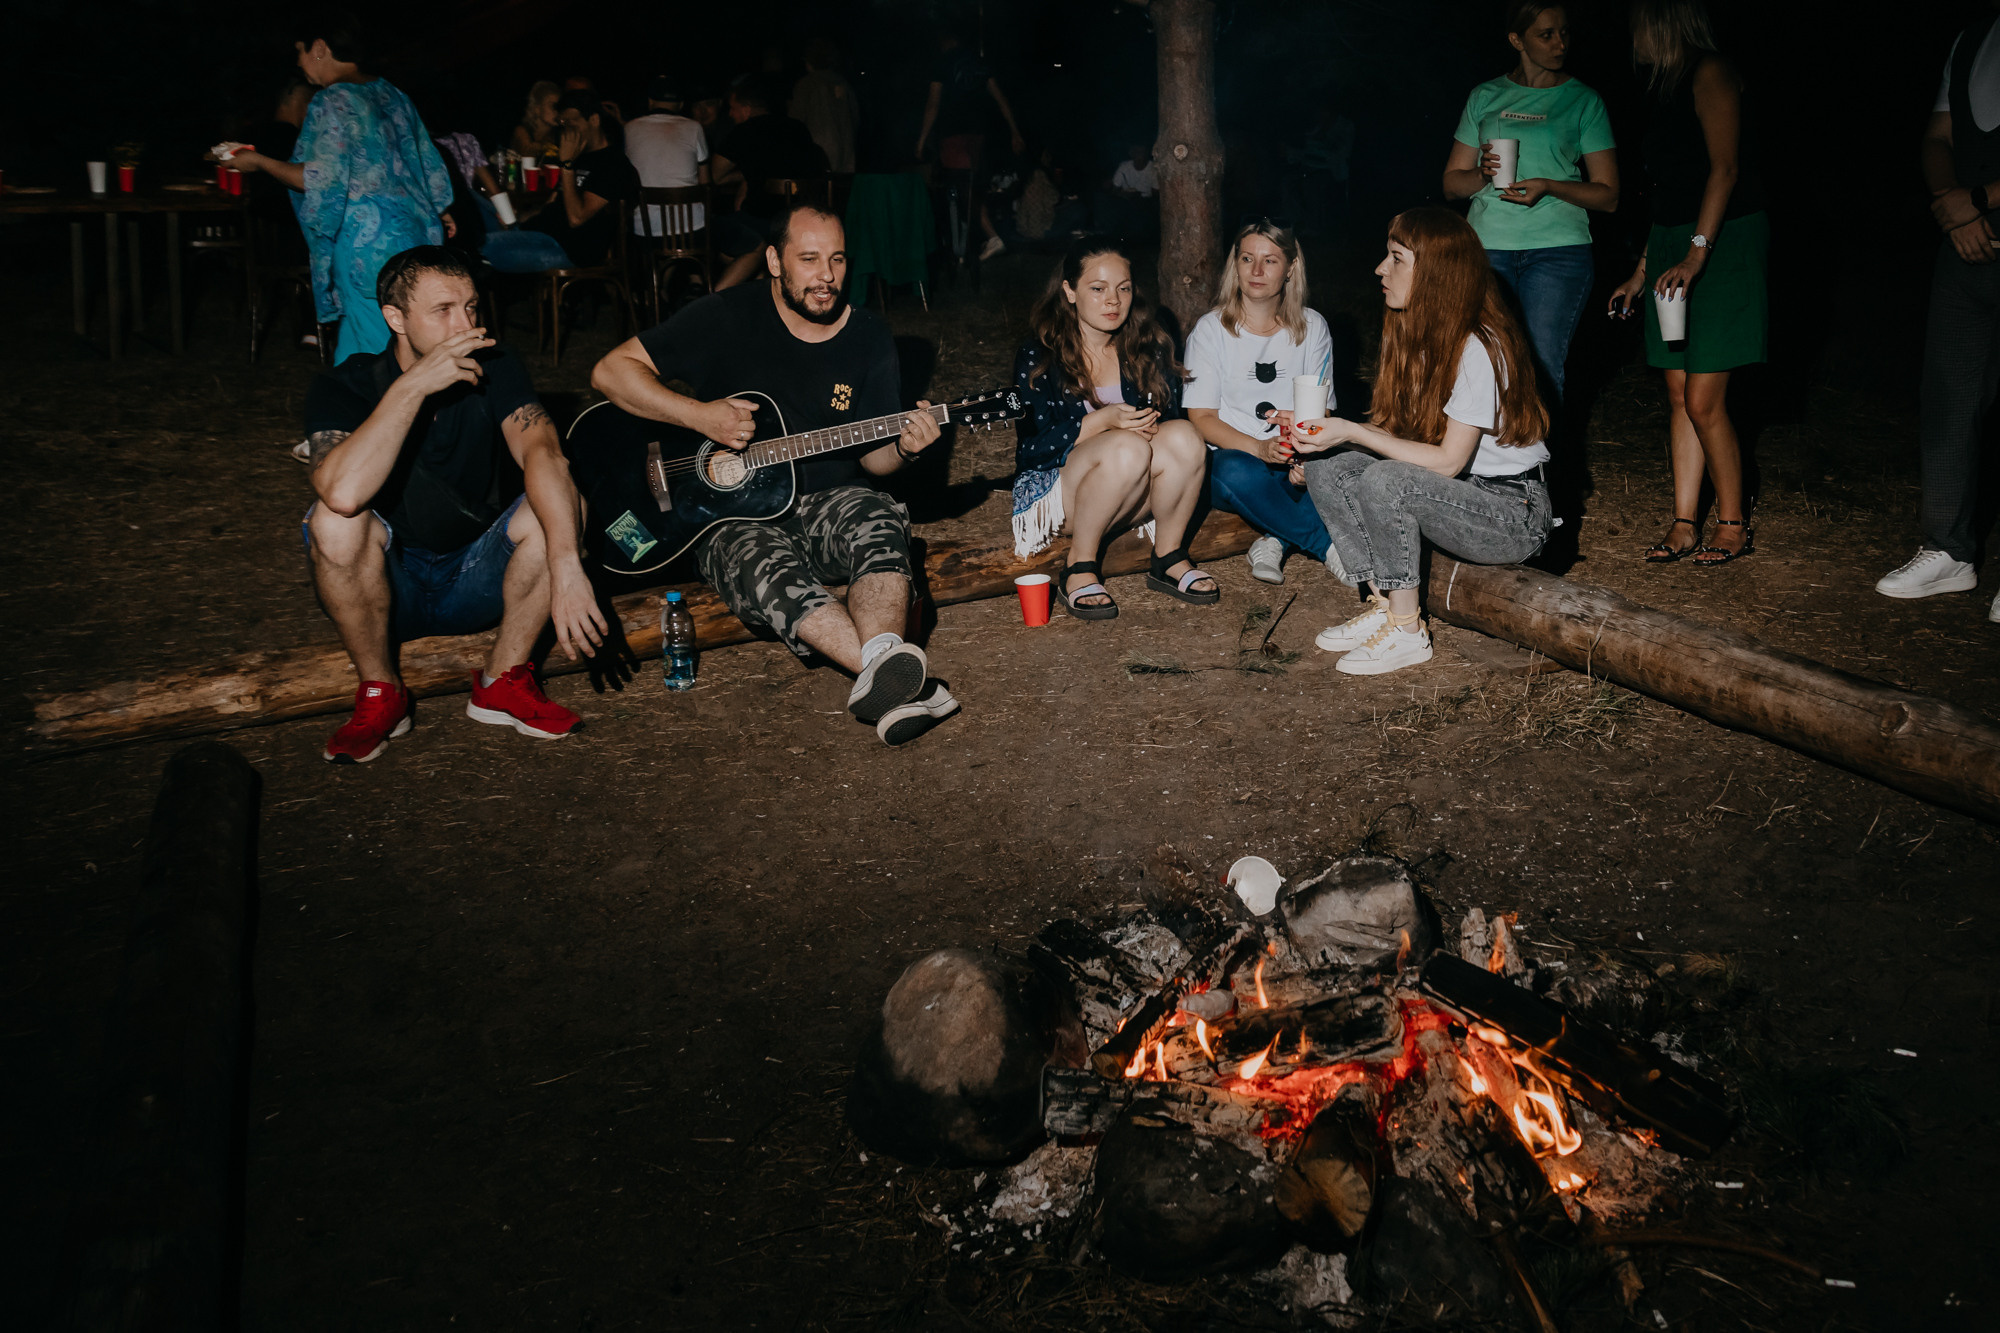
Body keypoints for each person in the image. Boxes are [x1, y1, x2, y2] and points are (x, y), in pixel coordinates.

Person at [588, 205, 959, 746]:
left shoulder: (869, 336)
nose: (826, 276)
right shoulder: (726, 316)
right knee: (758, 561)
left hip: (830, 501)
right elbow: (610, 371)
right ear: (774, 261)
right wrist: (699, 415)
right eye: (808, 260)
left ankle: (880, 663)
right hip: (727, 515)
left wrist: (906, 449)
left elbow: (876, 461)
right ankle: (896, 682)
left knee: (880, 516)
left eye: (836, 259)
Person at [300, 246, 603, 763]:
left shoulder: (496, 365)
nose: (465, 325)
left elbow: (543, 453)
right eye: (443, 311)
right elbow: (343, 492)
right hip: (390, 589)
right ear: (395, 318)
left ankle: (503, 681)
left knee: (559, 500)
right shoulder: (343, 386)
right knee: (332, 521)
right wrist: (412, 387)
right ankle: (381, 691)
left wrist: (568, 565)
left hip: (477, 576)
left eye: (470, 307)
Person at [1292, 208, 1553, 676]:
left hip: (1512, 513)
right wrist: (1332, 432)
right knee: (1329, 466)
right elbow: (1403, 440)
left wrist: (1352, 430)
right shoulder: (1421, 333)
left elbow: (1448, 463)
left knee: (1386, 479)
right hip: (1462, 495)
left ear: (1435, 273)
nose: (1379, 269)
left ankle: (1407, 629)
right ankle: (1381, 602)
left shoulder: (1480, 346)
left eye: (1395, 258)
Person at [1607, 0, 1767, 566]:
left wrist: (1698, 254)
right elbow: (1670, 193)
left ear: (1661, 19)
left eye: (1638, 24)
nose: (1633, 37)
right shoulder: (1663, 89)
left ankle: (1731, 522)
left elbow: (1725, 169)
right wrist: (1642, 269)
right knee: (1676, 394)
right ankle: (1683, 522)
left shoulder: (1711, 70)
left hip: (1722, 242)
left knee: (1704, 399)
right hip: (1676, 242)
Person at [230, 13, 457, 364]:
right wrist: (440, 209)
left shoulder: (331, 100)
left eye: (300, 51)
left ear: (319, 47)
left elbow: (318, 178)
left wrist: (257, 161)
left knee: (382, 359)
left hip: (368, 249)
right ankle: (344, 415)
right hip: (418, 238)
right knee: (364, 351)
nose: (299, 62)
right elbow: (424, 162)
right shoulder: (392, 93)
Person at [1011, 235, 1217, 617]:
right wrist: (1102, 421)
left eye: (1123, 288)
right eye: (1098, 288)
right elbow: (1031, 452)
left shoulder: (1147, 343)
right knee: (1127, 447)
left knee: (1187, 437)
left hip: (1130, 487)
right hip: (1060, 495)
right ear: (1069, 292)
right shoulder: (1040, 354)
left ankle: (1168, 557)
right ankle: (1080, 566)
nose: (1113, 300)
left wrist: (1146, 424)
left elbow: (1168, 440)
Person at [1875, 5, 2000, 618]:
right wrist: (1952, 205)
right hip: (1964, 238)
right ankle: (1949, 551)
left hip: (1978, 213)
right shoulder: (1973, 37)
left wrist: (1976, 201)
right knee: (1950, 395)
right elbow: (1937, 135)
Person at [1442, 3, 1617, 412]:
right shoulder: (1484, 96)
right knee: (1479, 364)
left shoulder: (1583, 100)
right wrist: (1484, 175)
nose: (1560, 44)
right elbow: (1452, 183)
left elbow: (1609, 195)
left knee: (1540, 369)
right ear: (1517, 40)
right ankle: (1478, 470)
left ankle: (1535, 475)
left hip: (1558, 251)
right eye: (1546, 34)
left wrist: (1549, 186)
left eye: (1564, 33)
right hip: (1486, 249)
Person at [1185, 220, 1335, 585]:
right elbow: (1201, 417)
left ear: (1290, 268)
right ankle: (1328, 545)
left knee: (1341, 464)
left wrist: (1304, 452)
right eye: (1247, 258)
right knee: (1235, 469)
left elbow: (1323, 412)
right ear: (1234, 265)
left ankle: (1274, 541)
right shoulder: (1210, 330)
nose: (1256, 271)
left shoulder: (1312, 327)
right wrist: (1259, 448)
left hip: (1290, 457)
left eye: (1269, 261)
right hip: (1233, 463)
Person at [482, 91, 640, 273]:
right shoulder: (579, 158)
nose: (567, 131)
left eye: (572, 123)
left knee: (480, 246)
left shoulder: (613, 164)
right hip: (540, 233)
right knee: (477, 209)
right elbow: (551, 203)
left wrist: (567, 166)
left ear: (594, 120)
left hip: (567, 249)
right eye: (563, 125)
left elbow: (576, 218)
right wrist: (518, 220)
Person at [916, 28, 1026, 262]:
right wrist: (1015, 132)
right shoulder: (977, 62)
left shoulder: (942, 62)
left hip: (953, 136)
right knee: (969, 190)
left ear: (945, 40)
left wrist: (921, 140)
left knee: (961, 191)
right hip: (978, 137)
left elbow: (932, 104)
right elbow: (1000, 98)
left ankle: (989, 238)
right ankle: (967, 247)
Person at [710, 79, 829, 289]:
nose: (730, 115)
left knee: (715, 235)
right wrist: (750, 173)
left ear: (746, 109)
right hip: (805, 216)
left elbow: (716, 175)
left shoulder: (744, 131)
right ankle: (763, 287)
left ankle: (717, 297)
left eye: (733, 109)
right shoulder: (797, 127)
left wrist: (748, 173)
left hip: (762, 219)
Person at [625, 76, 710, 235]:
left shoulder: (629, 128)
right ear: (681, 104)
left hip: (646, 230)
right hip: (693, 228)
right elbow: (705, 182)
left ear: (650, 101)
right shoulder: (694, 127)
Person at [790, 38, 860, 175]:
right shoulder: (844, 84)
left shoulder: (807, 85)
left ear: (809, 61)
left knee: (817, 193)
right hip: (845, 155)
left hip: (817, 156)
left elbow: (795, 122)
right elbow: (855, 119)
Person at [510, 80, 562, 160]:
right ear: (537, 109)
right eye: (553, 106)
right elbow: (527, 152)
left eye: (559, 106)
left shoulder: (559, 133)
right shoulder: (522, 131)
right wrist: (544, 146)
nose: (557, 111)